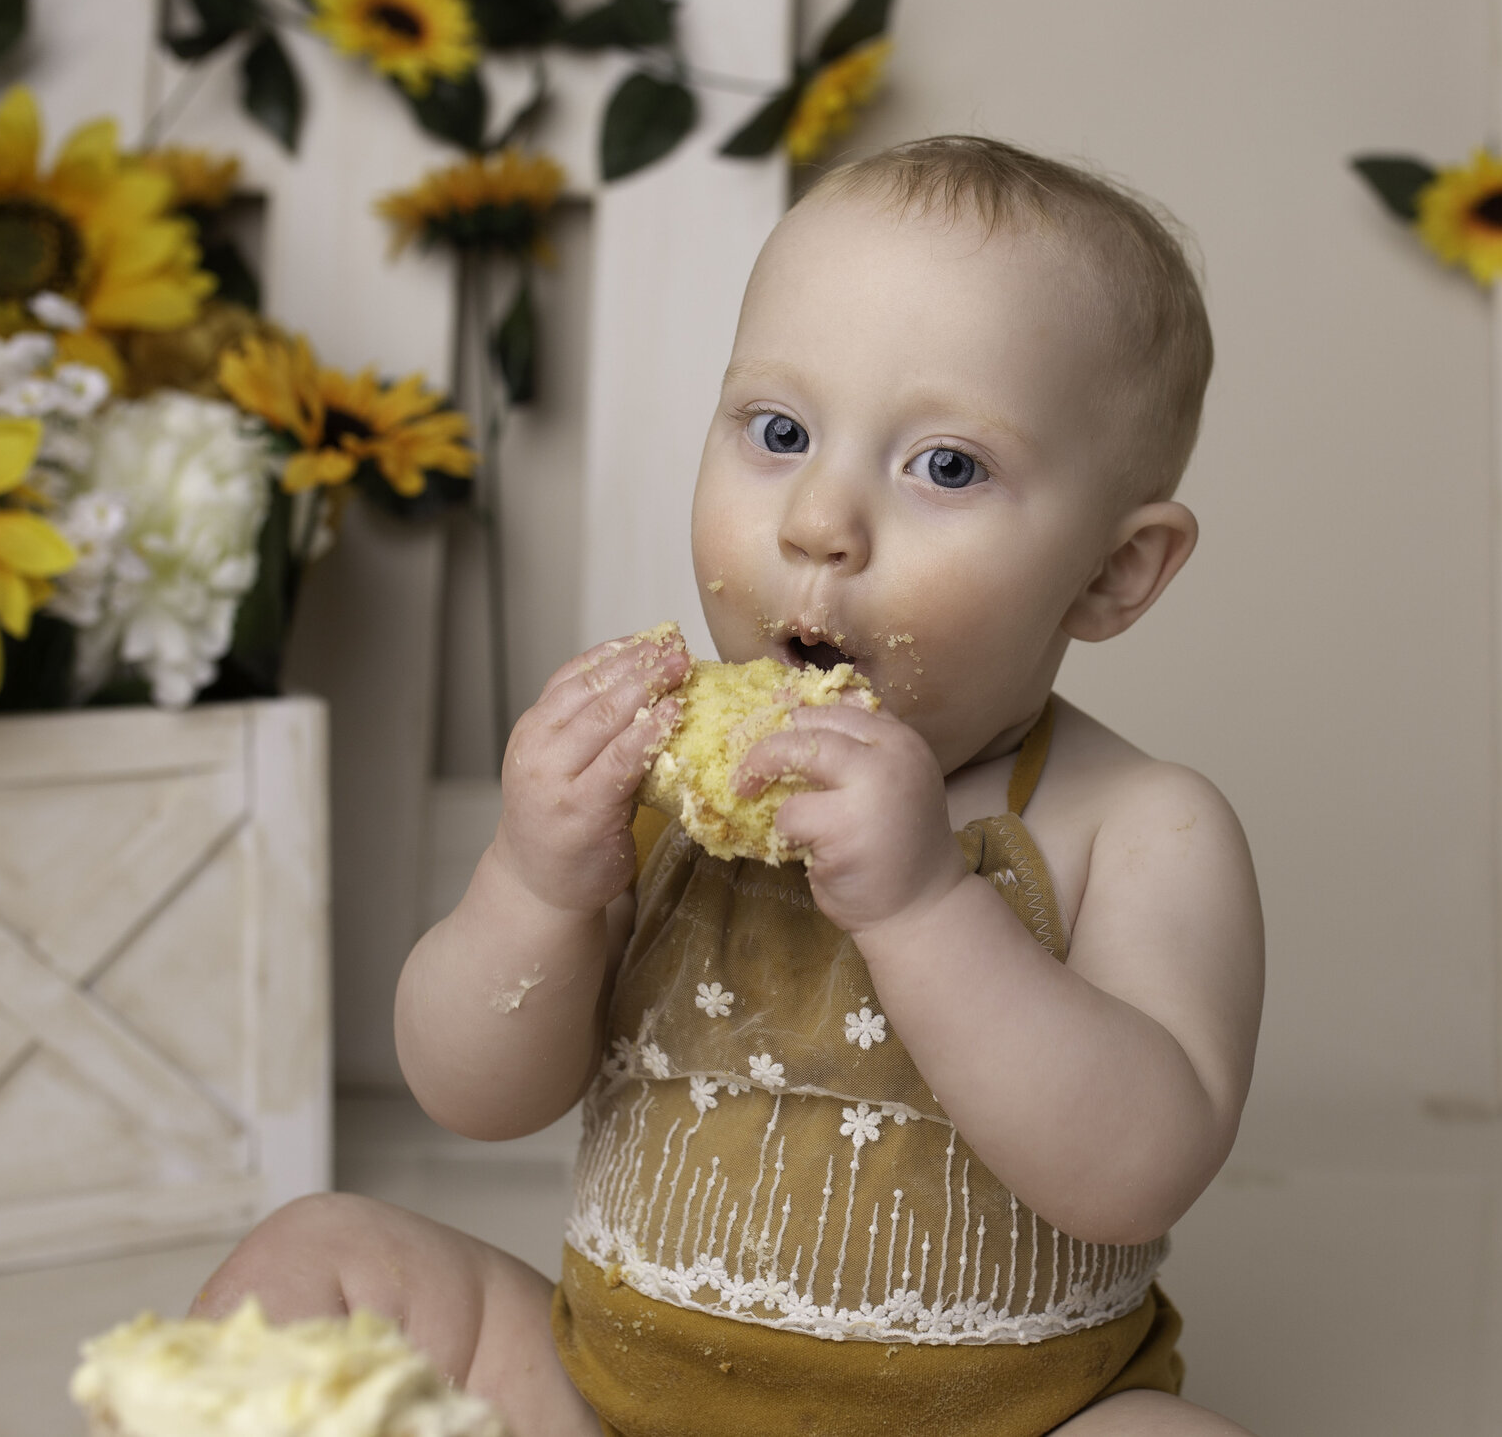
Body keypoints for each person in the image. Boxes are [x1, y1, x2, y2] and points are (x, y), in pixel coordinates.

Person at [194, 137, 1265, 1437]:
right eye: (779, 431)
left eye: (946, 466)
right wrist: (533, 882)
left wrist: (925, 906)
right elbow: (474, 1095)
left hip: (1012, 1421)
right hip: (613, 1402)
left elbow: (1134, 1174)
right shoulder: (659, 795)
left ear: (1113, 572)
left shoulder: (1146, 830)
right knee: (319, 1262)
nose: (820, 518)